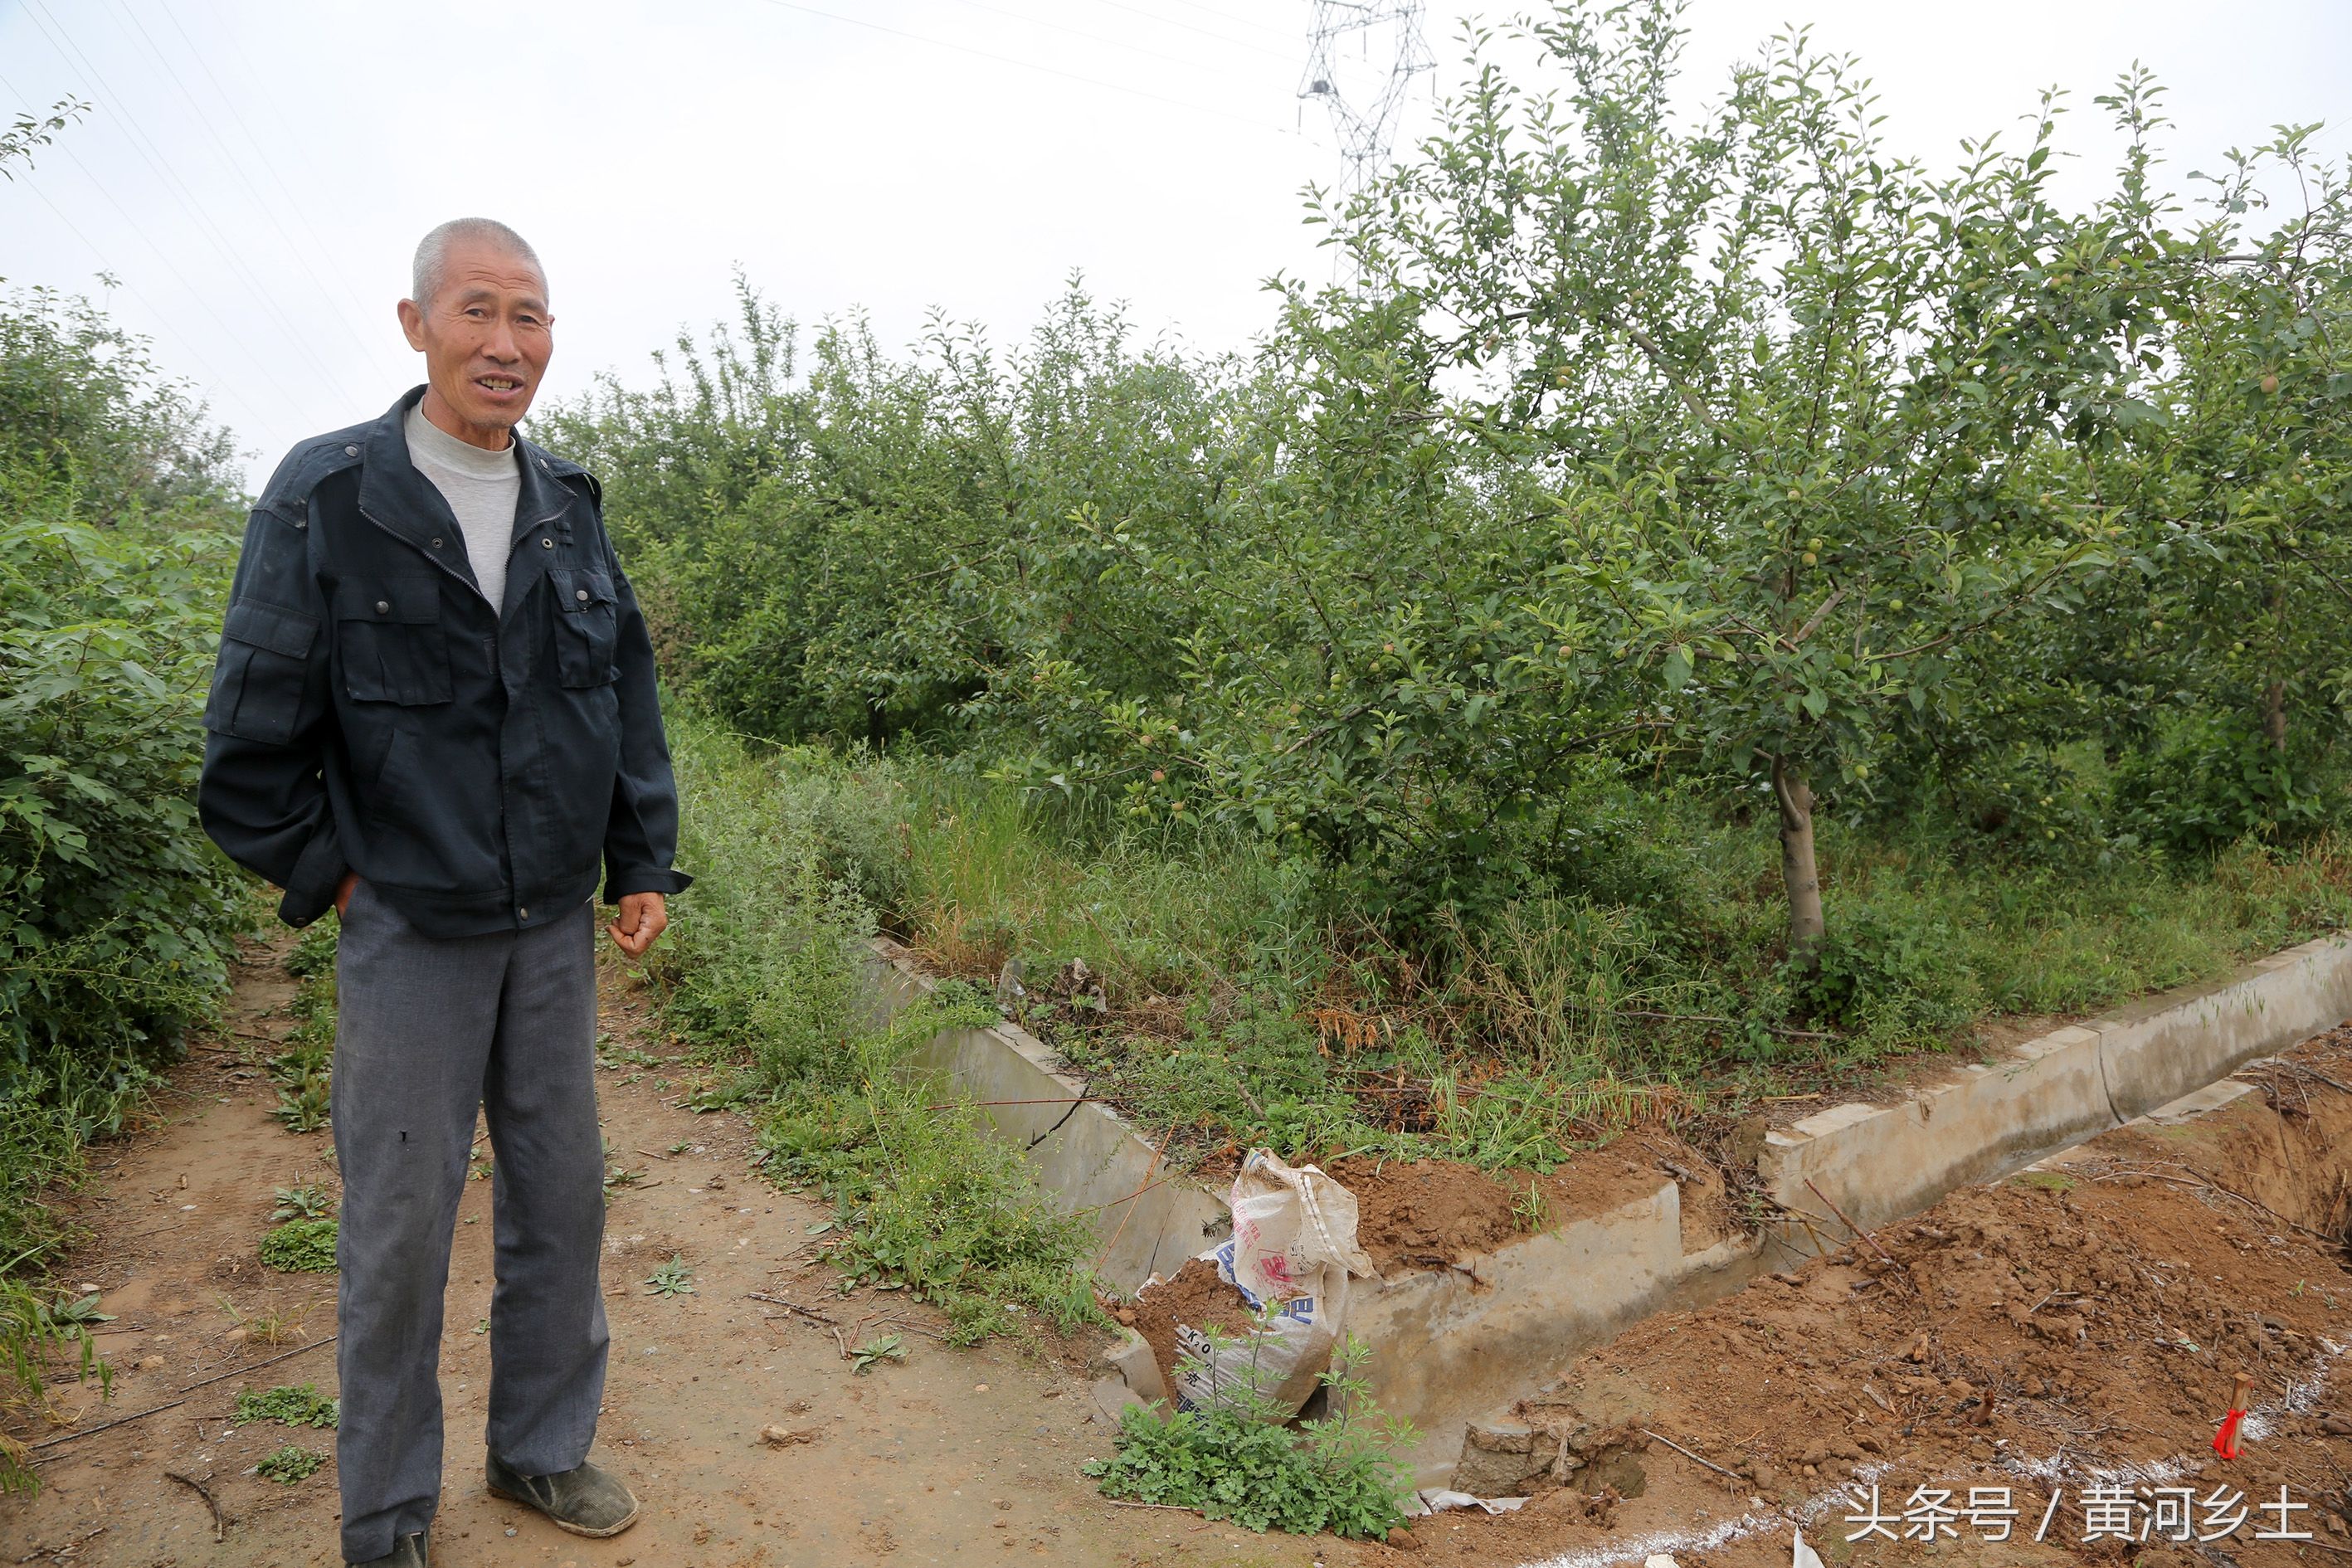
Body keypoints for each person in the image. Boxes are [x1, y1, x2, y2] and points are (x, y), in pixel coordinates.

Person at [197, 217, 689, 1568]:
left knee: (562, 1193)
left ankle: (539, 1449)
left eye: (530, 317)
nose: (507, 343)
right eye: (479, 312)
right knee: (402, 1224)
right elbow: (245, 743)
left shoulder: (566, 503)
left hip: (549, 932)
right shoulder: (331, 496)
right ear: (416, 326)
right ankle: (387, 1513)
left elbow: (624, 692)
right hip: (409, 926)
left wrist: (640, 856)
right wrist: (338, 873)